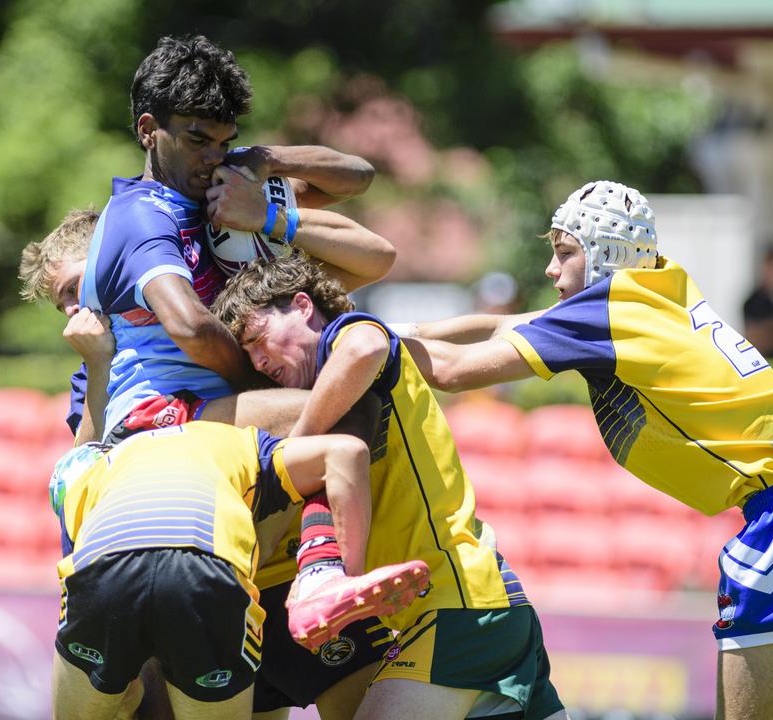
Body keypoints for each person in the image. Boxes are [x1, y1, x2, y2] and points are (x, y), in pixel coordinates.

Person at [404, 180, 773, 720]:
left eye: (565, 252)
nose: (550, 269)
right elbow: (507, 322)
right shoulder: (660, 284)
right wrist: (398, 327)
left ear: (605, 257)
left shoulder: (606, 311)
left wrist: (349, 343)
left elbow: (450, 372)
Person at [211, 253, 568, 720]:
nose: (258, 358)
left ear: (302, 305)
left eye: (259, 338)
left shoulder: (348, 336)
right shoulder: (344, 374)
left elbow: (365, 345)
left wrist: (297, 452)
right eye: (248, 352)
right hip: (481, 604)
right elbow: (432, 331)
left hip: (458, 609)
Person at [70, 33, 392, 445]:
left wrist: (268, 161)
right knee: (347, 399)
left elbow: (357, 177)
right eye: (197, 141)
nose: (212, 158)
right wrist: (260, 381)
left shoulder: (225, 185)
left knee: (371, 380)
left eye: (225, 143)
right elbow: (191, 327)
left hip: (205, 411)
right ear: (149, 130)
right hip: (152, 417)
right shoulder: (141, 215)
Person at [49, 421, 429, 720]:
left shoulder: (84, 483)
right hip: (207, 574)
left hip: (106, 571)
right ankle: (324, 577)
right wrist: (342, 572)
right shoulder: (233, 439)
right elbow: (347, 451)